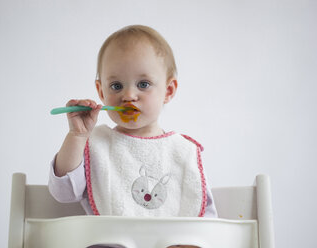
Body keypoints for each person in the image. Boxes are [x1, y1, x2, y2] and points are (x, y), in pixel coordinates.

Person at [49, 25, 217, 225]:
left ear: (169, 91)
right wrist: (77, 136)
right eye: (116, 86)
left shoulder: (183, 152)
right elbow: (63, 193)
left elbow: (206, 219)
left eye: (143, 84)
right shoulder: (97, 145)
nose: (128, 96)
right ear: (101, 91)